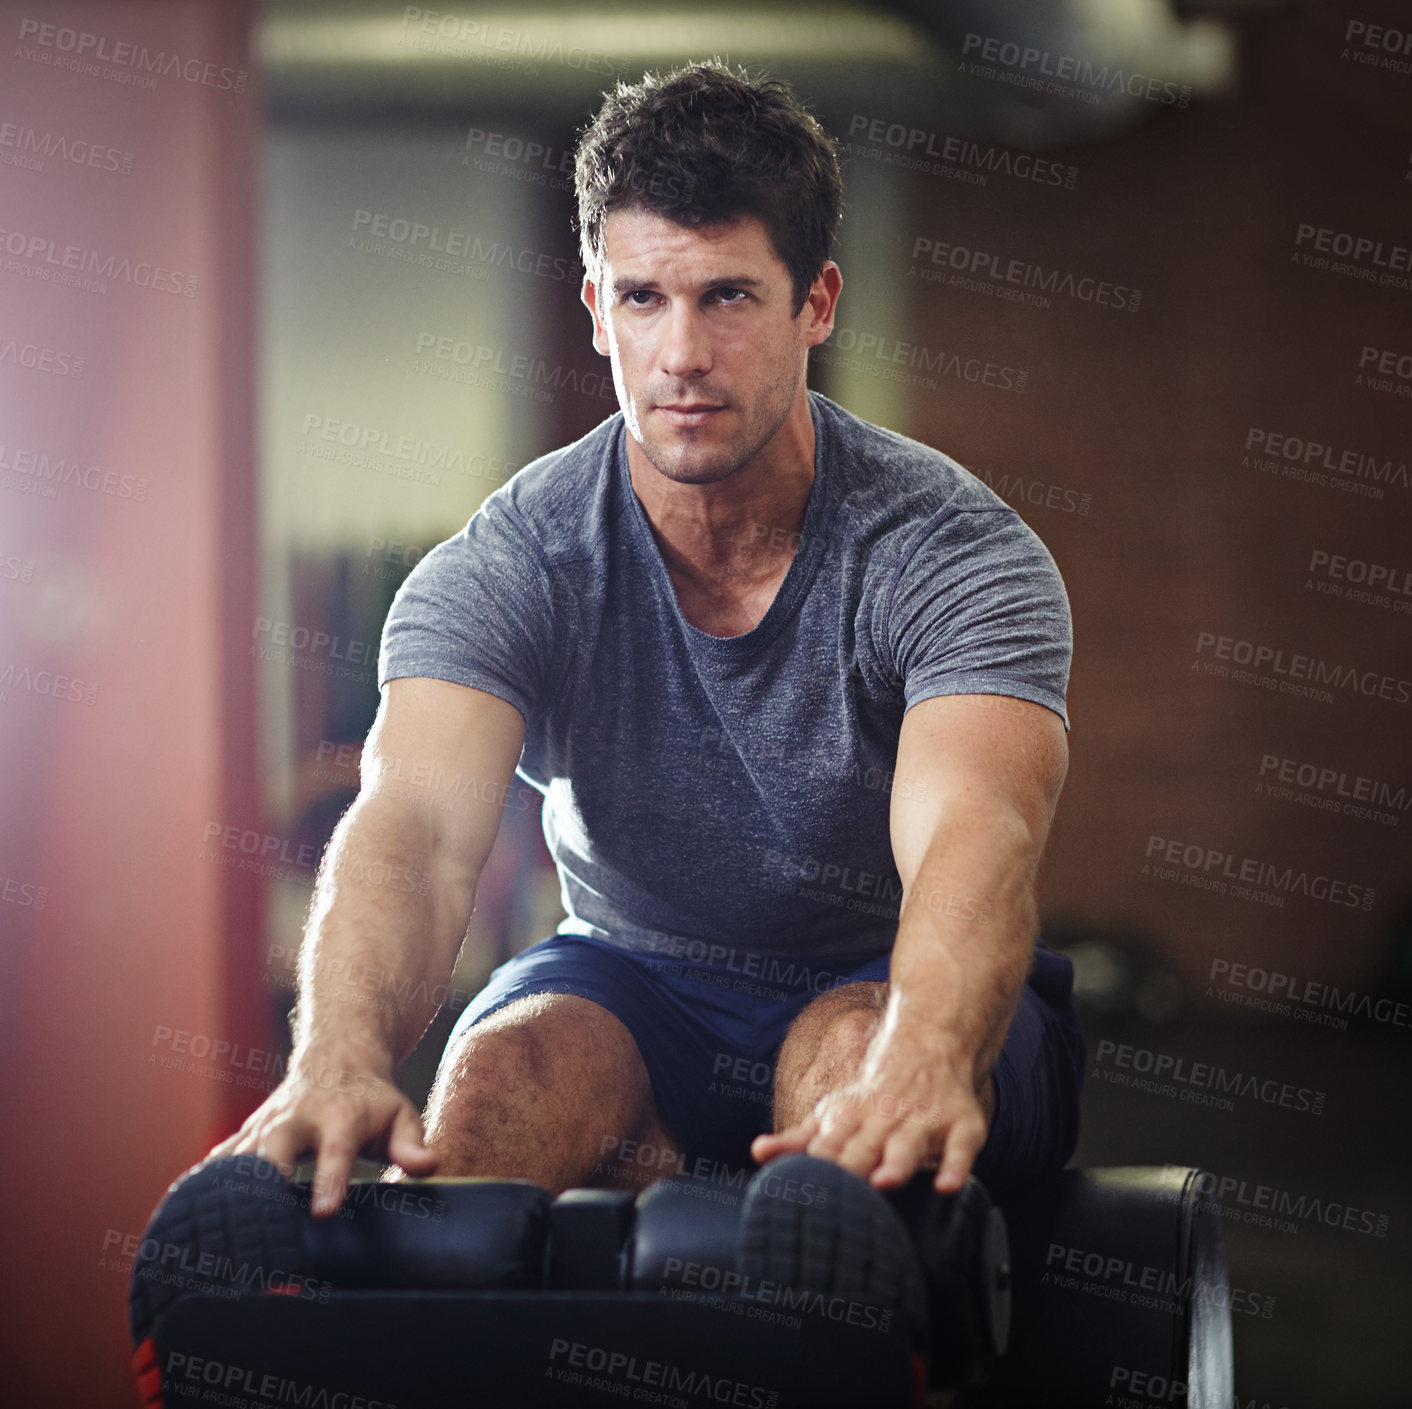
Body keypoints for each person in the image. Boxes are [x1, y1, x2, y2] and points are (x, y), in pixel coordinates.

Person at [209, 61, 1084, 1219]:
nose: (679, 354)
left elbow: (978, 831)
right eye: (642, 298)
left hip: (884, 977)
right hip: (635, 974)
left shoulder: (951, 552)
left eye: (725, 296)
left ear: (815, 303)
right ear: (593, 306)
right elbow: (414, 831)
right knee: (497, 1088)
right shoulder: (513, 560)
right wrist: (334, 1054)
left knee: (849, 1072)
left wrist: (924, 1048)